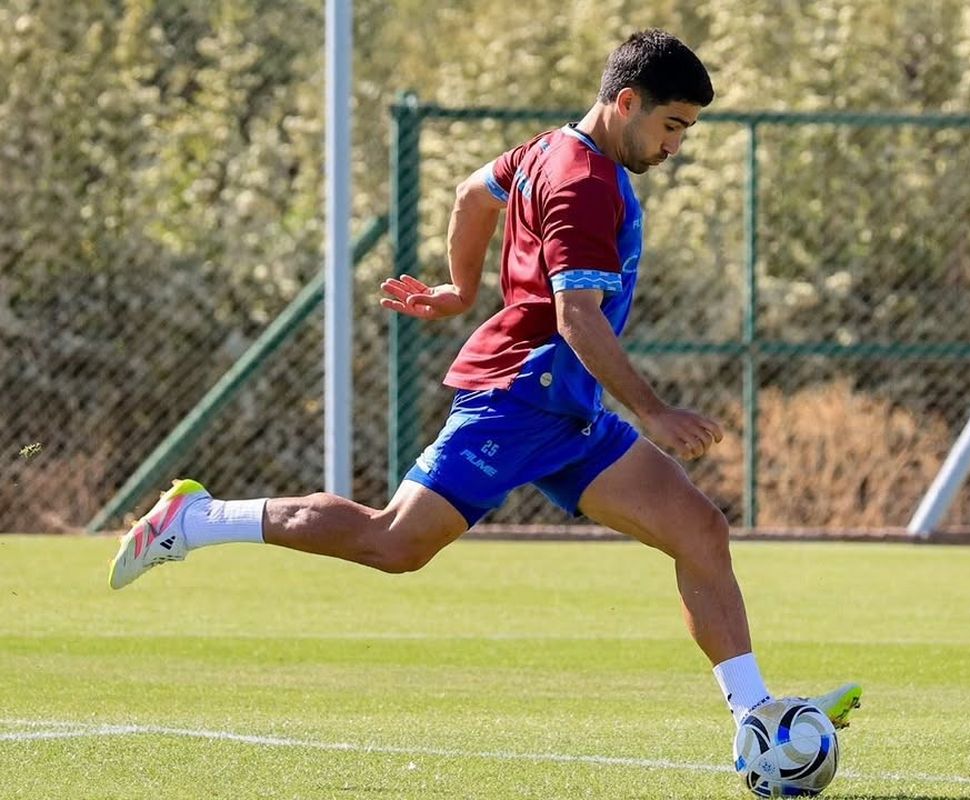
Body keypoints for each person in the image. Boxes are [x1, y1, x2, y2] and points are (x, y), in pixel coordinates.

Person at [108, 28, 860, 740]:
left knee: (700, 531)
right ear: (625, 101)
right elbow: (577, 319)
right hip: (519, 399)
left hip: (565, 411)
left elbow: (473, 193)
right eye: (672, 125)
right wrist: (654, 411)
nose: (675, 145)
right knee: (392, 543)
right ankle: (196, 519)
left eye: (687, 130)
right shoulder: (585, 185)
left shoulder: (545, 151)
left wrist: (460, 288)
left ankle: (757, 715)